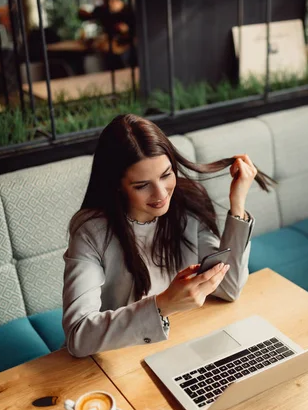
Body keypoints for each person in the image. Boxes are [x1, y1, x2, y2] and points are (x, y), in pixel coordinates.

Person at [62, 114, 274, 358]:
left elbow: (228, 288)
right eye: (142, 185)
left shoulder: (188, 203)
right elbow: (78, 335)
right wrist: (163, 304)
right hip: (114, 353)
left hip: (178, 342)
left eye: (166, 175)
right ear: (117, 185)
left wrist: (237, 204)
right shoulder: (91, 231)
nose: (161, 193)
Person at [78, 0, 136, 68]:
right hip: (110, 46)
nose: (107, 4)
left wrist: (125, 30)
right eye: (105, 2)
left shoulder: (128, 11)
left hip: (125, 47)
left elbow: (133, 34)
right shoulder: (103, 10)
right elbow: (86, 16)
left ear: (115, 0)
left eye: (109, 1)